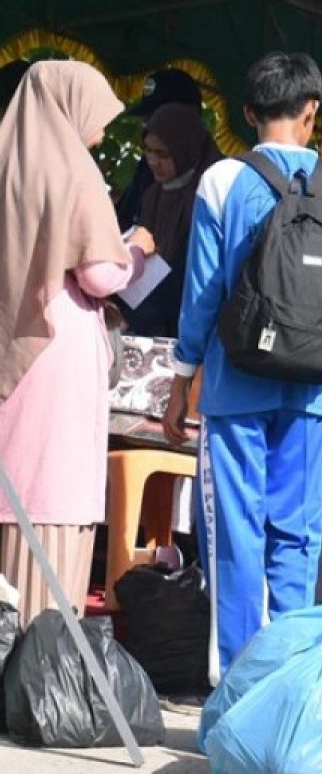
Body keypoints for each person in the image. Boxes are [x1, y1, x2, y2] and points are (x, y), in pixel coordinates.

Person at [161, 52, 322, 681]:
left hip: (235, 385)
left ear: (247, 114)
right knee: (299, 539)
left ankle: (238, 685)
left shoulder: (223, 180)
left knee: (235, 538)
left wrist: (180, 383)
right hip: (311, 391)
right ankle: (287, 683)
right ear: (312, 113)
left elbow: (200, 295)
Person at [0, 61, 156, 621]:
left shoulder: (7, 163)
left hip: (12, 349)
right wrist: (136, 248)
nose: (101, 129)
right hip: (54, 355)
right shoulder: (72, 171)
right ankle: (35, 662)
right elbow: (99, 274)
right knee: (49, 500)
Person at [121, 103, 223, 336]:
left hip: (190, 324)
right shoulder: (152, 195)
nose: (153, 161)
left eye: (163, 154)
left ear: (184, 149)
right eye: (148, 150)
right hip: (145, 321)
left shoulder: (209, 195)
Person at [115, 69, 204, 230]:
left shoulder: (213, 180)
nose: (148, 125)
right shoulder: (149, 164)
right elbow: (126, 215)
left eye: (160, 118)